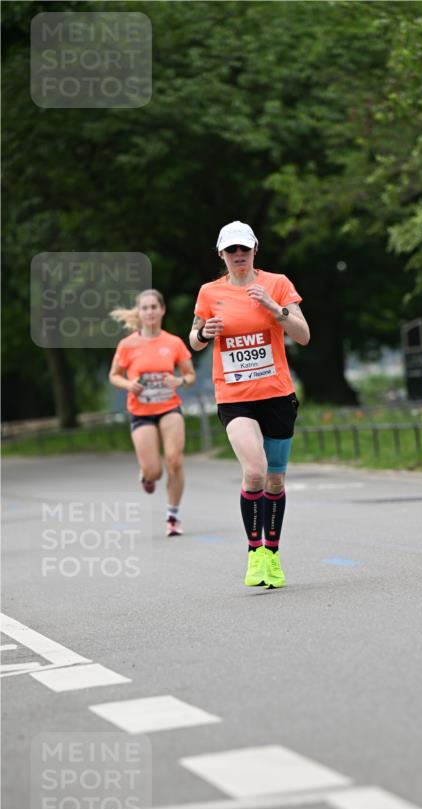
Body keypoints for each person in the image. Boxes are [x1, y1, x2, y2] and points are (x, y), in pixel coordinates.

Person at [189, 220, 310, 588]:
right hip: (235, 397)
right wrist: (203, 333)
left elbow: (303, 335)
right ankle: (254, 551)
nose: (238, 255)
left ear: (255, 250)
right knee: (255, 471)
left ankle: (272, 553)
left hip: (277, 395)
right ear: (221, 254)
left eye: (244, 248)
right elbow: (193, 338)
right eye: (232, 250)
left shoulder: (278, 284)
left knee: (275, 479)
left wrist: (275, 308)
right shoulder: (209, 292)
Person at [109, 289, 196, 537]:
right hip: (141, 412)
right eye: (145, 308)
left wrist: (179, 381)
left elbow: (190, 375)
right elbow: (114, 375)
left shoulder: (173, 343)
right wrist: (129, 385)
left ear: (162, 310)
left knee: (175, 460)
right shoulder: (127, 345)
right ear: (139, 313)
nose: (150, 312)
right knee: (154, 471)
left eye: (154, 307)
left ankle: (173, 517)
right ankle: (147, 475)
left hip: (169, 407)